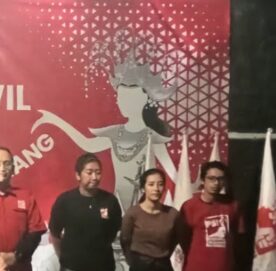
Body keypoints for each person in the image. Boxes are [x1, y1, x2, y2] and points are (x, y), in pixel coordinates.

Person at [32, 54, 177, 212]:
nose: (120, 102)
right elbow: (87, 144)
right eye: (120, 97)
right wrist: (55, 120)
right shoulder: (115, 133)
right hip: (117, 204)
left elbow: (173, 173)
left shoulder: (152, 137)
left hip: (144, 208)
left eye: (127, 97)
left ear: (143, 100)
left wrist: (190, 184)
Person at [48, 153, 122, 271]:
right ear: (78, 175)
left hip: (103, 270)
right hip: (73, 270)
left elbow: (114, 230)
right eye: (89, 172)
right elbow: (55, 233)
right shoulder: (65, 201)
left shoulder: (110, 201)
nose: (94, 177)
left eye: (98, 172)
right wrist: (64, 258)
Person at [180, 161, 243, 271]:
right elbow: (183, 238)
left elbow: (239, 238)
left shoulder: (233, 206)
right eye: (211, 178)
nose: (216, 183)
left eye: (220, 179)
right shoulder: (189, 206)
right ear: (203, 180)